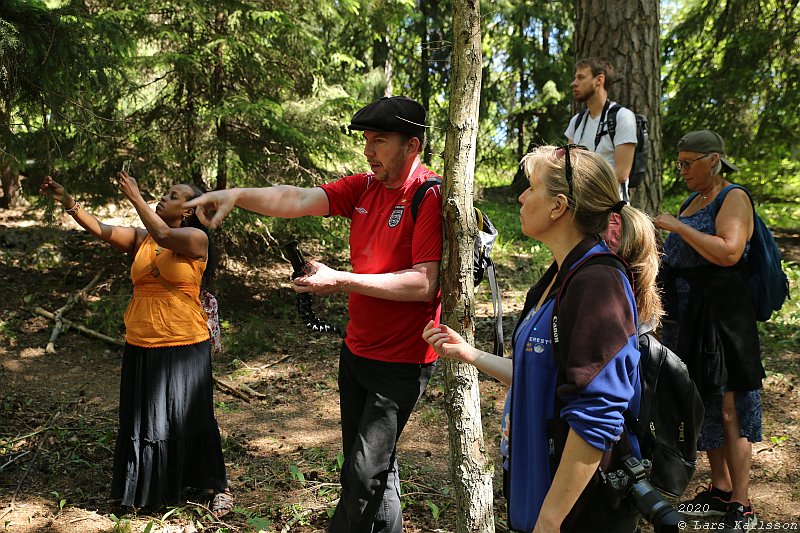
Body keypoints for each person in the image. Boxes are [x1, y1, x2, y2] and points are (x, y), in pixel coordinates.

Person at [185, 96, 443, 533]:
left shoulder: (428, 195)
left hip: (401, 362)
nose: (368, 151)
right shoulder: (364, 187)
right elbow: (297, 197)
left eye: (379, 141)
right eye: (366, 141)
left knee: (363, 475)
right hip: (356, 352)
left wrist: (339, 280)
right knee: (375, 472)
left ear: (412, 146)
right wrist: (236, 195)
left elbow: (424, 284)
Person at [424, 145, 663, 532]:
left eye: (531, 187)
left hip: (576, 514)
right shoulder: (559, 276)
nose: (520, 196)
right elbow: (543, 377)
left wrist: (550, 521)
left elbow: (598, 415)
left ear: (558, 206)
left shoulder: (596, 283)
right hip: (539, 498)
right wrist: (469, 354)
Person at [39, 173, 232, 516]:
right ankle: (146, 488)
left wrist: (136, 198)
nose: (164, 197)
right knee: (146, 419)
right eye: (165, 193)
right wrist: (68, 200)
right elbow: (99, 228)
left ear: (187, 211)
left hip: (184, 342)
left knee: (193, 416)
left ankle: (216, 485)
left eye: (173, 196)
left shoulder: (195, 239)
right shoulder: (143, 239)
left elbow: (164, 233)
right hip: (142, 338)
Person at [654, 130, 763, 532]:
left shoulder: (733, 197)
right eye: (679, 162)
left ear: (713, 160)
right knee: (705, 405)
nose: (681, 170)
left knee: (733, 407)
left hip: (724, 318)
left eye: (688, 163)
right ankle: (719, 491)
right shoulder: (691, 201)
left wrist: (678, 229)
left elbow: (729, 251)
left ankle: (742, 503)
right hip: (690, 318)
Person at [565, 57, 638, 203]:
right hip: (579, 208)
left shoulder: (622, 117)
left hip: (611, 211)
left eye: (581, 77)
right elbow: (568, 165)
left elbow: (622, 173)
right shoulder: (576, 122)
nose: (574, 83)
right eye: (575, 78)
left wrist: (584, 184)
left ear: (599, 80)